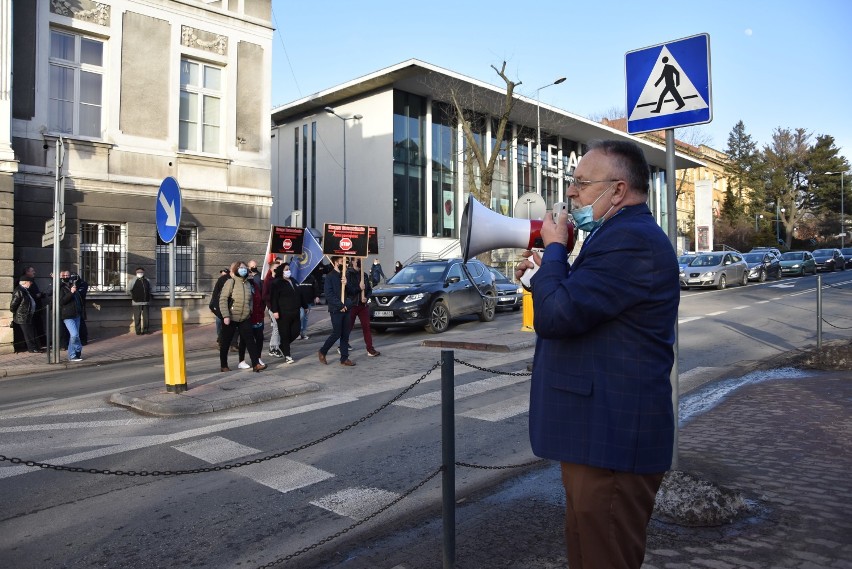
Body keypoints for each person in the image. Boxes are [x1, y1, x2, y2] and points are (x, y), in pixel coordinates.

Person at [515, 139, 679, 569]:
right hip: (602, 439)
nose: (571, 193)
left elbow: (559, 315)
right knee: (587, 554)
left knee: (602, 555)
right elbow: (584, 307)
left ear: (618, 191)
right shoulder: (616, 237)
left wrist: (553, 252)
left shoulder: (631, 241)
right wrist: (545, 275)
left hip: (613, 441)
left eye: (581, 184)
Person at [218, 261, 266, 372]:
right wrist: (226, 315)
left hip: (245, 317)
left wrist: (250, 311)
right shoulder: (231, 282)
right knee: (226, 341)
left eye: (245, 268)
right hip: (231, 317)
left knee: (250, 340)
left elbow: (250, 301)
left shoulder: (248, 284)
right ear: (235, 269)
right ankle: (224, 365)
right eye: (240, 268)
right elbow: (223, 299)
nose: (243, 270)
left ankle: (256, 364)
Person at [318, 256, 359, 366]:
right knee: (337, 333)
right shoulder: (330, 277)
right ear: (336, 262)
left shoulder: (344, 275)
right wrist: (340, 305)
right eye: (342, 262)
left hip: (346, 308)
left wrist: (346, 283)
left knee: (345, 334)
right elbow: (328, 294)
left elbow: (352, 291)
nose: (345, 264)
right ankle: (323, 351)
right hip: (336, 309)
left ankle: (344, 358)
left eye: (346, 262)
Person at [339, 258, 380, 357]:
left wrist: (366, 297)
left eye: (360, 260)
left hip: (363, 305)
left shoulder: (364, 275)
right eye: (357, 260)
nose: (359, 262)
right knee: (348, 327)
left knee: (366, 327)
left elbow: (369, 290)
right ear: (352, 262)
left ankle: (370, 349)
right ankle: (342, 346)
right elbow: (349, 290)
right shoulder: (348, 274)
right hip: (352, 305)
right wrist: (359, 288)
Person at [270, 262, 307, 364]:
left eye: (289, 269)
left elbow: (300, 294)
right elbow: (274, 298)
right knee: (285, 334)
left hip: (295, 311)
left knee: (296, 331)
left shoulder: (293, 281)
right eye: (286, 269)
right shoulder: (276, 283)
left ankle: (282, 346)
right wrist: (275, 311)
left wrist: (305, 306)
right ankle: (287, 355)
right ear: (281, 271)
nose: (288, 271)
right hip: (283, 312)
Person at [10, 276, 43, 353]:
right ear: (25, 282)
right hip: (23, 316)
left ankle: (36, 347)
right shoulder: (19, 290)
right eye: (29, 282)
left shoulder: (26, 290)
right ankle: (32, 348)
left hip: (29, 315)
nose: (31, 283)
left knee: (32, 332)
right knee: (28, 334)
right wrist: (19, 313)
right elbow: (13, 306)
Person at [58, 269, 84, 362]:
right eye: (64, 276)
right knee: (74, 335)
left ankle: (72, 355)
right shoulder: (60, 287)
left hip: (77, 314)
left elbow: (79, 299)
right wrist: (71, 292)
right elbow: (62, 301)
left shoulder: (73, 285)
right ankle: (78, 349)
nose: (66, 277)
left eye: (68, 275)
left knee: (75, 336)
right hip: (67, 315)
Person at [262, 257, 284, 357]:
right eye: (276, 267)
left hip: (280, 307)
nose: (277, 268)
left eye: (279, 267)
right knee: (276, 327)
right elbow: (265, 295)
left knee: (279, 327)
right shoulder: (268, 280)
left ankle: (276, 346)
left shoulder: (279, 279)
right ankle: (273, 347)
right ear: (271, 269)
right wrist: (272, 305)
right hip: (272, 308)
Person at [209, 268, 232, 349]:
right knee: (219, 323)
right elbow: (215, 294)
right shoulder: (220, 281)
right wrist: (214, 307)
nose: (222, 275)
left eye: (224, 273)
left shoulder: (230, 280)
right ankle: (220, 340)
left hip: (228, 307)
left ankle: (229, 342)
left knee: (227, 325)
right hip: (219, 307)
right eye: (221, 273)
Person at [297, 269, 320, 340]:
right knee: (301, 315)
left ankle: (304, 333)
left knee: (306, 318)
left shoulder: (311, 278)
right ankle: (298, 332)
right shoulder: (297, 278)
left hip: (308, 301)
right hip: (299, 302)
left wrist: (316, 296)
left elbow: (315, 288)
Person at [129, 267, 152, 335]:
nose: (140, 273)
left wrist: (148, 296)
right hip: (136, 302)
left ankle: (146, 330)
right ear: (136, 273)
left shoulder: (147, 280)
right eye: (138, 272)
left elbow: (150, 289)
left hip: (145, 302)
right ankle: (138, 331)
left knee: (146, 317)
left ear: (143, 272)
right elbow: (128, 290)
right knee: (137, 317)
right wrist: (133, 296)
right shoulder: (132, 280)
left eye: (141, 272)